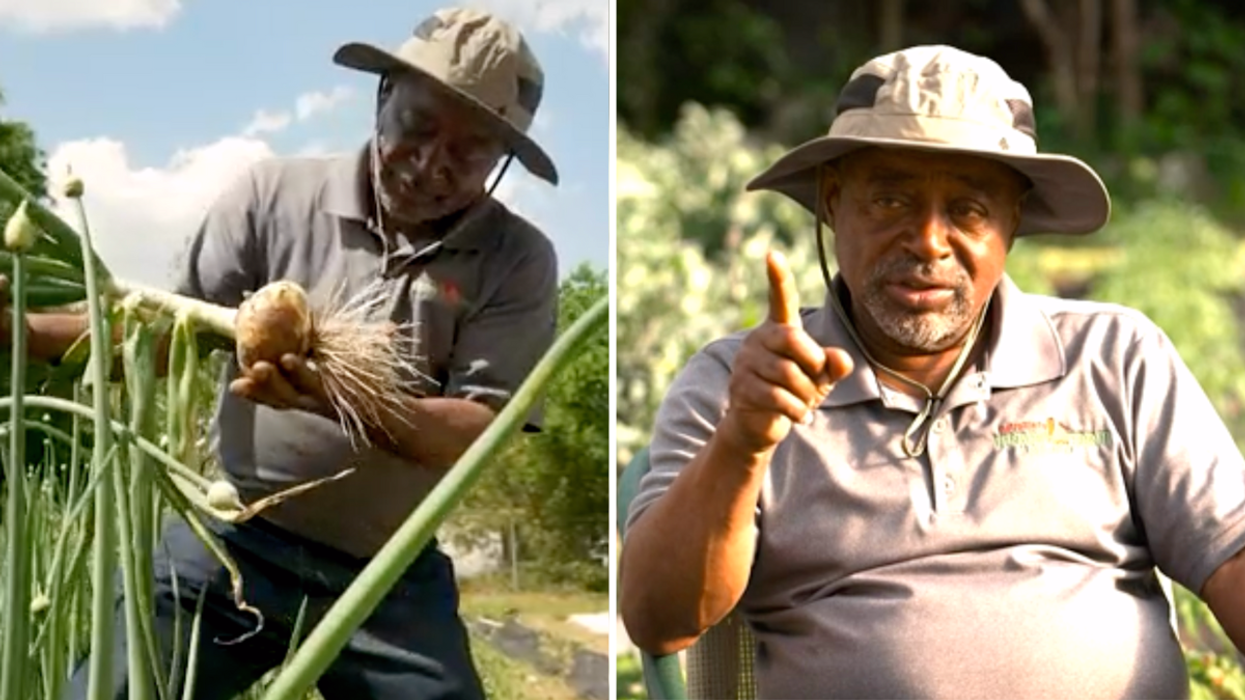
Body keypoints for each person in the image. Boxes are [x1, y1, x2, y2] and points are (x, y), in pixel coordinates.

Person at [619, 45, 1245, 699]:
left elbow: (1230, 560)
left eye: (968, 210)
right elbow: (659, 622)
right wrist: (742, 443)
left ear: (1013, 221)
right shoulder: (740, 382)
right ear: (832, 203)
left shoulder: (1114, 356)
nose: (927, 240)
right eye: (889, 200)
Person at [11, 7, 560, 700]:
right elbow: (148, 335)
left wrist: (343, 393)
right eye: (417, 128)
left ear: (500, 159)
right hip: (234, 536)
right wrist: (18, 327)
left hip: (386, 574)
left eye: (469, 151)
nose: (430, 165)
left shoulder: (518, 259)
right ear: (383, 96)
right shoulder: (273, 195)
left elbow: (479, 430)